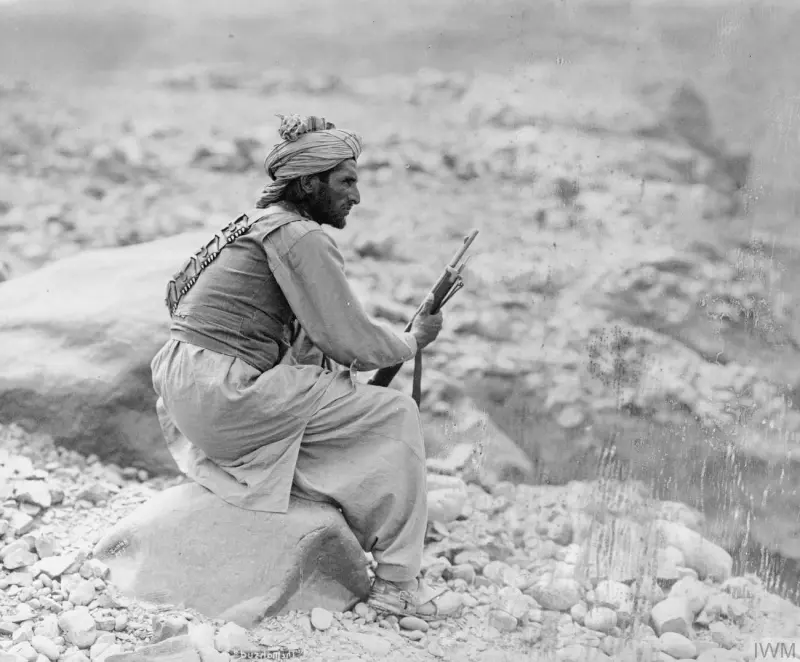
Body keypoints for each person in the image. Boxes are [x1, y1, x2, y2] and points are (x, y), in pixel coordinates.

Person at [150, 114, 461, 620]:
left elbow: (178, 298)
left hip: (186, 390)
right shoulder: (300, 236)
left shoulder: (248, 225)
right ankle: (399, 584)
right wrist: (410, 340)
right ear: (309, 182)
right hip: (226, 397)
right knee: (394, 413)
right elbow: (348, 339)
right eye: (346, 182)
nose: (356, 197)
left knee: (326, 383)